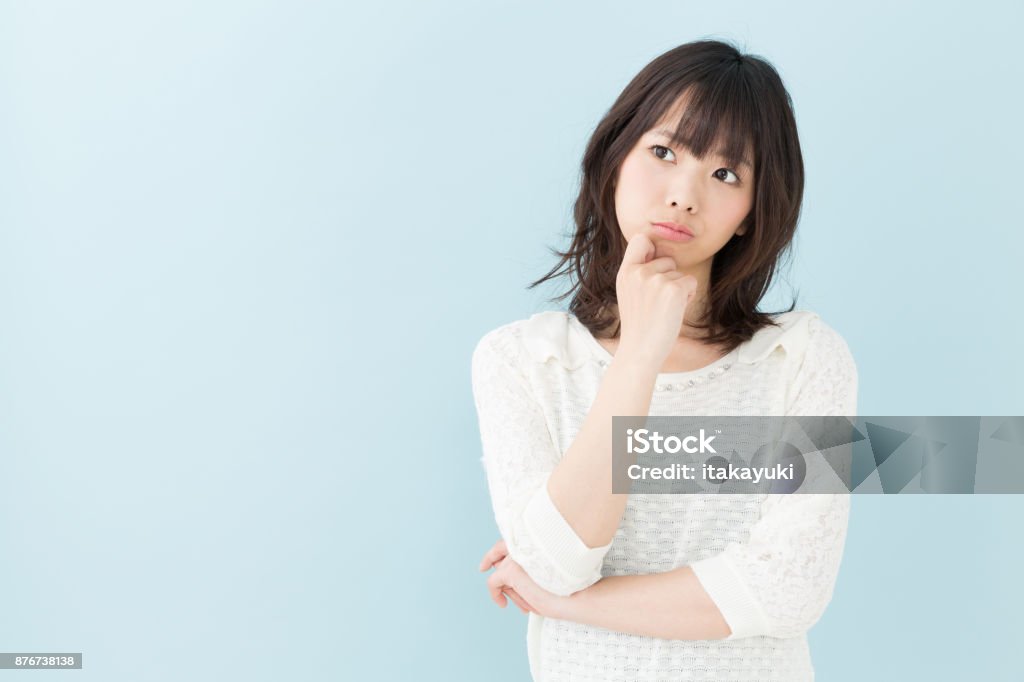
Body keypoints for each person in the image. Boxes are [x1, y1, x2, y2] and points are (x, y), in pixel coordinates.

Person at [470, 38, 858, 682]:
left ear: (748, 214)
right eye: (663, 152)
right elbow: (558, 562)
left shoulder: (804, 359)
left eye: (725, 174)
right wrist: (640, 357)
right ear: (615, 159)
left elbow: (790, 587)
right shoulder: (522, 361)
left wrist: (569, 602)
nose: (684, 195)